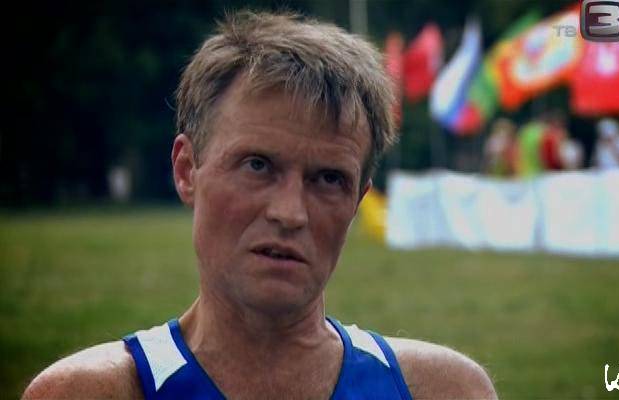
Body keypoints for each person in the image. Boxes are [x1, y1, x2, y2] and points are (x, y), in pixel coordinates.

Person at [23, 11, 497, 400]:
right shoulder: (89, 392)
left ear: (357, 200)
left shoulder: (445, 391)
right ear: (187, 170)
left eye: (329, 179)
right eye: (258, 165)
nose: (290, 213)